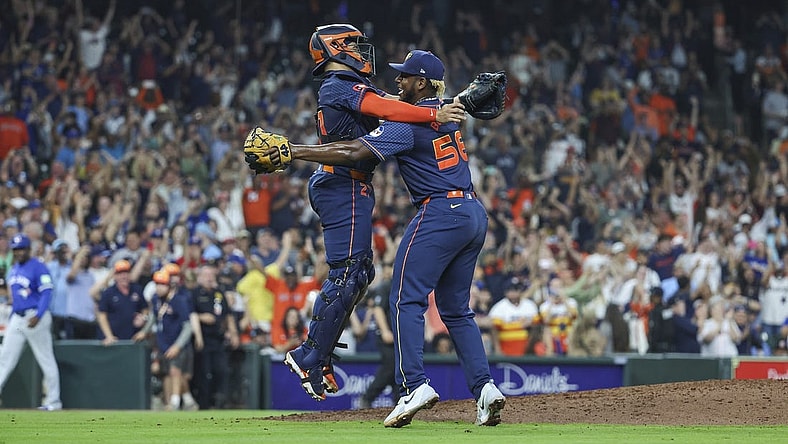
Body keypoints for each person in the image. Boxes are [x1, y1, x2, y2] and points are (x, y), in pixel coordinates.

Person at [260, 49, 505, 427]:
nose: (397, 81)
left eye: (405, 76)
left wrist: (294, 151)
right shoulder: (447, 114)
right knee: (456, 309)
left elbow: (356, 149)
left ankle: (414, 386)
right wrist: (454, 100)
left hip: (439, 212)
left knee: (404, 298)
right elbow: (417, 107)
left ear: (420, 82)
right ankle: (486, 389)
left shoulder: (403, 125)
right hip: (473, 213)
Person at [283, 24, 467, 402]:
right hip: (341, 182)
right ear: (337, 49)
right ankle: (309, 356)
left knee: (360, 272)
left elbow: (394, 104)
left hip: (347, 184)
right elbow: (387, 108)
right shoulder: (338, 85)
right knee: (349, 271)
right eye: (353, 44)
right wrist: (436, 116)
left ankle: (317, 356)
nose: (362, 52)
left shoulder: (349, 85)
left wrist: (456, 103)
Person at [0, 234, 62, 410]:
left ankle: (54, 401)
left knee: (45, 359)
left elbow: (47, 292)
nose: (19, 252)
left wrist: (39, 314)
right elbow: (17, 298)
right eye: (16, 249)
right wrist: (13, 315)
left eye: (21, 249)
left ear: (28, 249)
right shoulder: (14, 269)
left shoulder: (38, 267)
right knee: (5, 359)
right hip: (17, 318)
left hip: (35, 316)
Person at [137, 269, 198, 411]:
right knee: (169, 374)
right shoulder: (155, 299)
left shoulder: (178, 301)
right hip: (163, 342)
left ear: (169, 285)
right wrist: (144, 331)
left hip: (177, 342)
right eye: (157, 284)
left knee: (175, 372)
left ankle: (175, 402)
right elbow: (153, 317)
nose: (159, 287)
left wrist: (177, 345)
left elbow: (188, 326)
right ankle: (188, 401)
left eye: (162, 284)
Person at [191, 264, 239, 409]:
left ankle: (219, 402)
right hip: (203, 339)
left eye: (211, 275)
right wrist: (201, 317)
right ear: (199, 277)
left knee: (221, 370)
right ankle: (204, 404)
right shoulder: (195, 293)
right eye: (206, 275)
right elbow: (190, 315)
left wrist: (234, 333)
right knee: (204, 373)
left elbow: (228, 315)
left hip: (218, 339)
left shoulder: (219, 293)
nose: (209, 278)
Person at [96, 259, 148, 345]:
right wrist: (109, 336)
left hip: (133, 339)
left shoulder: (137, 289)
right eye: (120, 273)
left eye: (126, 272)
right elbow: (102, 316)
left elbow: (145, 308)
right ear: (115, 276)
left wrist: (143, 317)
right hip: (114, 340)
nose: (124, 276)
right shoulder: (108, 293)